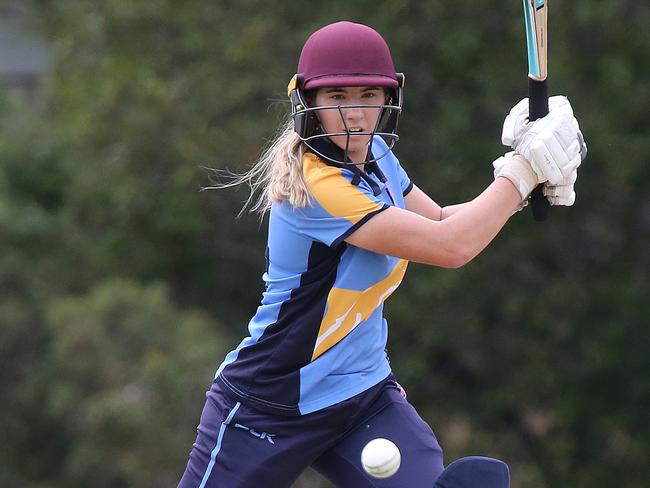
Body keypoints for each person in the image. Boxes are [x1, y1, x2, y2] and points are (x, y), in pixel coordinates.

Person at [178, 21, 586, 488]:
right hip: (269, 405)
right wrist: (520, 175)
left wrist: (521, 175)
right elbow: (450, 247)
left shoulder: (375, 157)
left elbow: (440, 223)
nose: (355, 115)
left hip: (363, 397)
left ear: (388, 99)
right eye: (337, 98)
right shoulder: (318, 188)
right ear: (307, 102)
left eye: (369, 95)